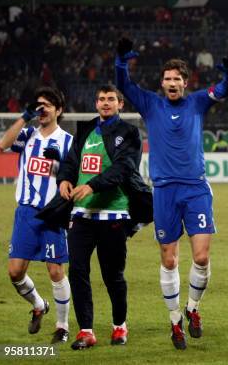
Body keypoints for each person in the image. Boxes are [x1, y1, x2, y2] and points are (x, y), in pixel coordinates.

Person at [115, 37, 228, 350]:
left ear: (186, 82)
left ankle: (193, 308)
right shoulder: (150, 104)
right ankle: (175, 322)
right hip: (165, 191)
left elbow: (223, 91)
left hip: (196, 188)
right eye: (167, 79)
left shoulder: (197, 101)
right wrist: (120, 62)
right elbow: (124, 86)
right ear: (162, 83)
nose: (172, 83)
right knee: (169, 261)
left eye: (177, 79)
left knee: (201, 256)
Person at [38, 84, 153, 349]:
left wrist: (92, 185)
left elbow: (125, 168)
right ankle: (86, 331)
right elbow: (70, 161)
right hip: (81, 215)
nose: (105, 103)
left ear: (120, 104)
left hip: (113, 213)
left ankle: (119, 326)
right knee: (78, 272)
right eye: (101, 99)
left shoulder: (130, 133)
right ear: (96, 102)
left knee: (112, 275)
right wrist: (65, 180)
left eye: (110, 99)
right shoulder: (86, 129)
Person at [0, 87, 73, 343]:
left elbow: (73, 175)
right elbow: (3, 144)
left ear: (59, 110)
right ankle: (39, 304)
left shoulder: (68, 141)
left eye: (47, 106)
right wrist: (24, 116)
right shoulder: (28, 134)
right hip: (26, 213)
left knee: (55, 271)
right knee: (15, 272)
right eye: (38, 106)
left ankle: (62, 327)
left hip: (53, 212)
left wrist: (59, 165)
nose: (42, 110)